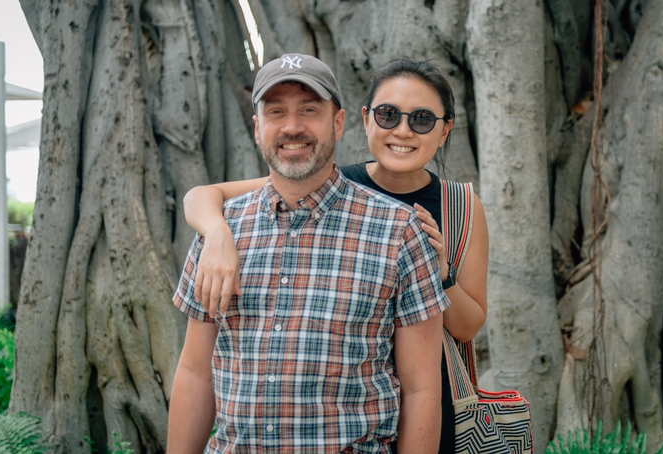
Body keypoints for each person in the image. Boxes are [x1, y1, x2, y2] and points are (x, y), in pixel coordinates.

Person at [184, 58, 489, 453]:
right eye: (388, 114)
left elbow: (468, 328)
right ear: (364, 120)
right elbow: (206, 195)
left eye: (422, 120)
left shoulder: (460, 206)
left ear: (445, 129)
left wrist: (442, 273)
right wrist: (216, 232)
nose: (402, 130)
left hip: (426, 399)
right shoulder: (326, 177)